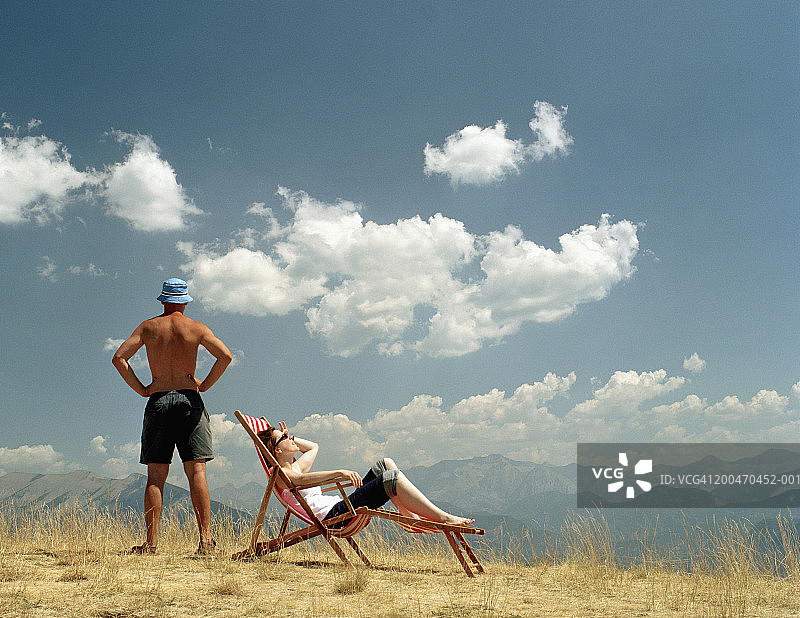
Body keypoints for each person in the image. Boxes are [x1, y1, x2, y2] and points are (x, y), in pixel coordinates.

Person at [112, 278, 233, 555]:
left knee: (155, 475)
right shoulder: (197, 328)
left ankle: (151, 544)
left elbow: (119, 358)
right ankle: (205, 543)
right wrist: (203, 385)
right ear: (185, 301)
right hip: (190, 400)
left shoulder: (148, 327)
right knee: (197, 472)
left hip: (159, 399)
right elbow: (224, 356)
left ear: (163, 301)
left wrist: (143, 389)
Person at [257, 422, 474, 527]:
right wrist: (339, 472)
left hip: (341, 506)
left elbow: (313, 446)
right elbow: (300, 481)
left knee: (385, 464)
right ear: (277, 450)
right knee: (392, 479)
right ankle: (444, 518)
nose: (291, 437)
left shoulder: (296, 466)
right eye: (286, 438)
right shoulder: (279, 474)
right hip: (334, 517)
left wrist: (285, 436)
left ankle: (408, 517)